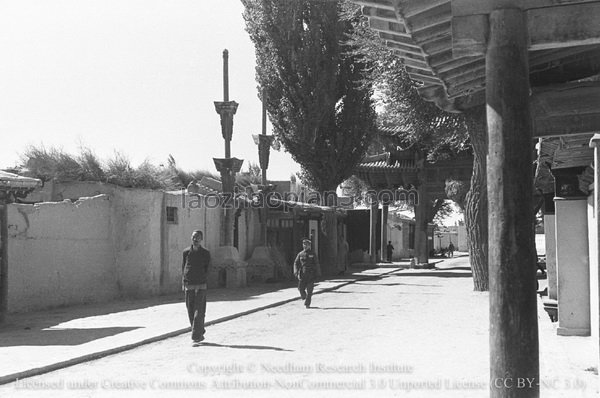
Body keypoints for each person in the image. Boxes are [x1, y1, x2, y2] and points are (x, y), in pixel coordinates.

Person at [182, 230, 211, 344]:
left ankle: (196, 336)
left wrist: (203, 280)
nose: (196, 239)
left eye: (198, 237)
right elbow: (183, 267)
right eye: (194, 237)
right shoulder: (186, 252)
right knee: (190, 310)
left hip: (201, 284)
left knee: (199, 311)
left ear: (201, 239)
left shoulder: (205, 253)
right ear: (191, 238)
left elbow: (208, 268)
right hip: (189, 284)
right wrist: (183, 282)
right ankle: (199, 330)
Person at [293, 237, 322, 308]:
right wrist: (296, 272)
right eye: (304, 244)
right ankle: (304, 297)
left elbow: (316, 263)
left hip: (311, 274)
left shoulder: (313, 254)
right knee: (300, 288)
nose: (305, 246)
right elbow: (296, 263)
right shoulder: (300, 254)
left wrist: (318, 273)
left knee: (310, 290)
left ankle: (307, 303)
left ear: (309, 246)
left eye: (306, 245)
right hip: (303, 274)